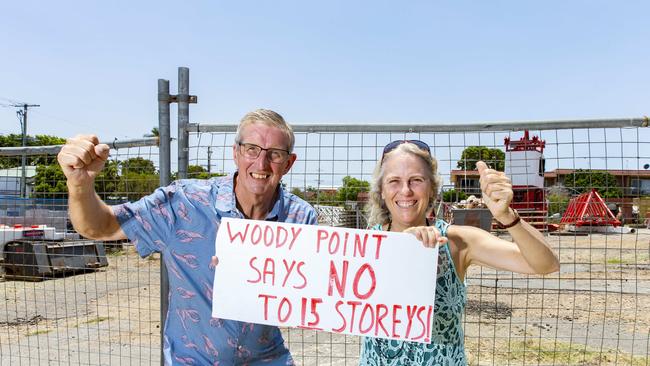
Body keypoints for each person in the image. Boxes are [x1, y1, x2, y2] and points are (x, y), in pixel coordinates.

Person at [57, 109, 317, 365]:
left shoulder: (300, 217)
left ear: (288, 163)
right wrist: (80, 186)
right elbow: (100, 227)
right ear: (236, 152)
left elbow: (311, 291)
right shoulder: (184, 204)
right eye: (251, 149)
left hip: (267, 359)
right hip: (193, 360)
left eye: (275, 154)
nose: (261, 163)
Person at [358, 140, 560, 365]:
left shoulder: (457, 241)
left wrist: (506, 216)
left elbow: (546, 264)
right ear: (382, 191)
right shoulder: (363, 246)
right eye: (394, 181)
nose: (405, 190)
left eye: (416, 180)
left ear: (432, 188)